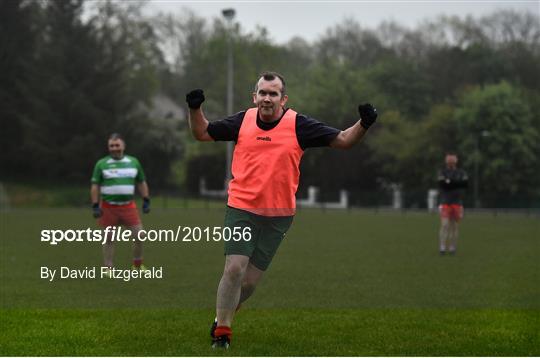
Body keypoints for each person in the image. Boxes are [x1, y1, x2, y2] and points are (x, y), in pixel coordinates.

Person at [185, 71, 378, 349]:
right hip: (241, 208)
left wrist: (364, 123)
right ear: (254, 97)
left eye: (273, 93)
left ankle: (221, 317)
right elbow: (201, 132)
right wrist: (195, 109)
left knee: (249, 284)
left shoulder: (298, 125)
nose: (267, 98)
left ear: (283, 99)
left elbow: (344, 140)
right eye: (262, 92)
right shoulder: (242, 121)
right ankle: (222, 334)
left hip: (278, 217)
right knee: (235, 269)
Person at [90, 133, 151, 273]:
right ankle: (108, 267)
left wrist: (146, 199)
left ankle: (137, 265)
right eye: (111, 145)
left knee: (140, 235)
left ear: (123, 146)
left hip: (128, 206)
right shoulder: (101, 164)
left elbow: (141, 182)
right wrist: (94, 205)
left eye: (117, 145)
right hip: (108, 207)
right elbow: (95, 185)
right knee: (109, 238)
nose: (114, 148)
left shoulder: (133, 162)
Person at [437, 153, 468, 255]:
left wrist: (449, 183)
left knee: (454, 226)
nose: (450, 161)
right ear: (446, 161)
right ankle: (442, 246)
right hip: (445, 202)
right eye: (449, 159)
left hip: (457, 202)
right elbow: (443, 185)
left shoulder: (461, 172)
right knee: (445, 225)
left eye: (452, 159)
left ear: (456, 160)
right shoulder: (442, 172)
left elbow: (463, 186)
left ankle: (452, 247)